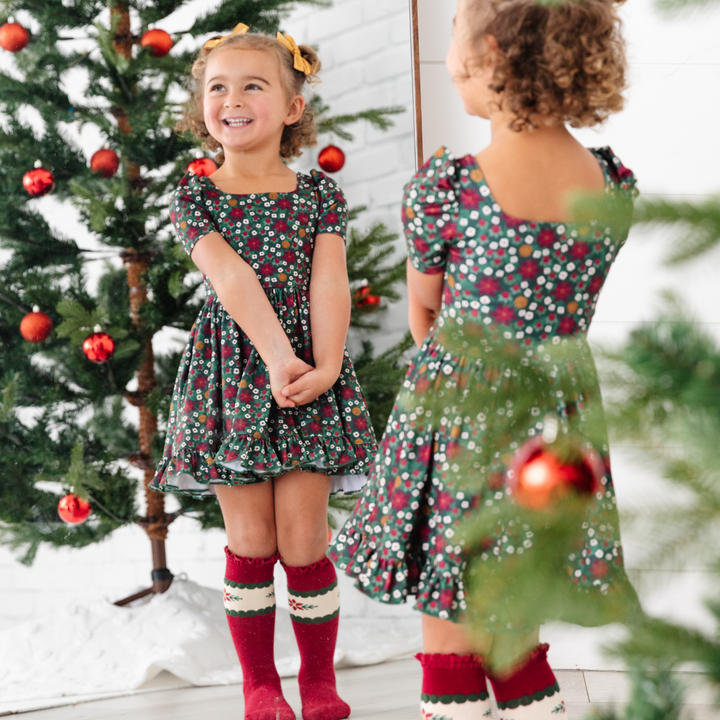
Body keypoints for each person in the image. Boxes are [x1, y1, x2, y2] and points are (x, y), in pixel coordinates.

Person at [329, 0, 639, 717]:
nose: (450, 63)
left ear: (492, 54)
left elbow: (425, 311)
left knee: (450, 580)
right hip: (557, 409)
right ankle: (534, 702)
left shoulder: (452, 187)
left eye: (453, 43)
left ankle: (454, 704)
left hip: (462, 404)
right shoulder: (611, 182)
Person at [150, 24, 376, 720]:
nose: (233, 98)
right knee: (252, 541)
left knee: (305, 541)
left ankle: (317, 682)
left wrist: (327, 363)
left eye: (254, 84)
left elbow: (330, 283)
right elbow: (231, 277)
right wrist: (277, 356)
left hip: (311, 373)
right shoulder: (196, 197)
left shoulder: (317, 196)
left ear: (292, 107)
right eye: (218, 86)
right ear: (202, 106)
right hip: (234, 379)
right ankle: (260, 686)